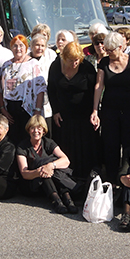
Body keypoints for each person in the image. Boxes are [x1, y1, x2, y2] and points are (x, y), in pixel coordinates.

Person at [92, 31, 130, 182]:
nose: (108, 53)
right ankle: (111, 178)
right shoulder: (104, 63)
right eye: (107, 50)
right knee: (110, 144)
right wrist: (95, 110)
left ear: (121, 47)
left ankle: (128, 176)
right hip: (110, 110)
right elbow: (99, 86)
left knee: (129, 144)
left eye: (111, 50)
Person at [48, 41, 99, 179]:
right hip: (64, 115)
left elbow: (95, 90)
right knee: (66, 146)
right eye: (71, 60)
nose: (74, 63)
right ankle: (65, 176)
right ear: (64, 57)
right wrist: (55, 111)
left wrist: (95, 111)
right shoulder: (55, 66)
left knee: (84, 148)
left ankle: (85, 177)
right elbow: (51, 90)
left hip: (83, 114)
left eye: (77, 60)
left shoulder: (86, 68)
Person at [16, 115, 79, 214]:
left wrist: (50, 166)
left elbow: (66, 160)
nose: (36, 131)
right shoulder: (22, 147)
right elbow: (24, 173)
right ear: (28, 130)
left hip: (51, 180)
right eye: (33, 128)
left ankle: (67, 200)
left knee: (53, 166)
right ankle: (57, 200)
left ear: (44, 131)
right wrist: (39, 171)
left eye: (39, 128)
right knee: (41, 165)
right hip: (31, 184)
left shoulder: (48, 142)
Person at [0, 35, 46, 145]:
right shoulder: (6, 65)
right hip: (10, 108)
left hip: (27, 109)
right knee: (12, 140)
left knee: (27, 140)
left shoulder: (33, 63)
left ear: (26, 47)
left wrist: (37, 111)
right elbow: (0, 90)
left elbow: (41, 89)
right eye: (15, 46)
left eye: (21, 46)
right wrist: (2, 109)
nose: (18, 49)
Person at [28, 29, 57, 136]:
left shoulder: (49, 60)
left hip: (46, 103)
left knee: (46, 131)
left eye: (42, 46)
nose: (40, 48)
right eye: (37, 45)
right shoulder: (26, 59)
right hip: (29, 102)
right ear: (31, 45)